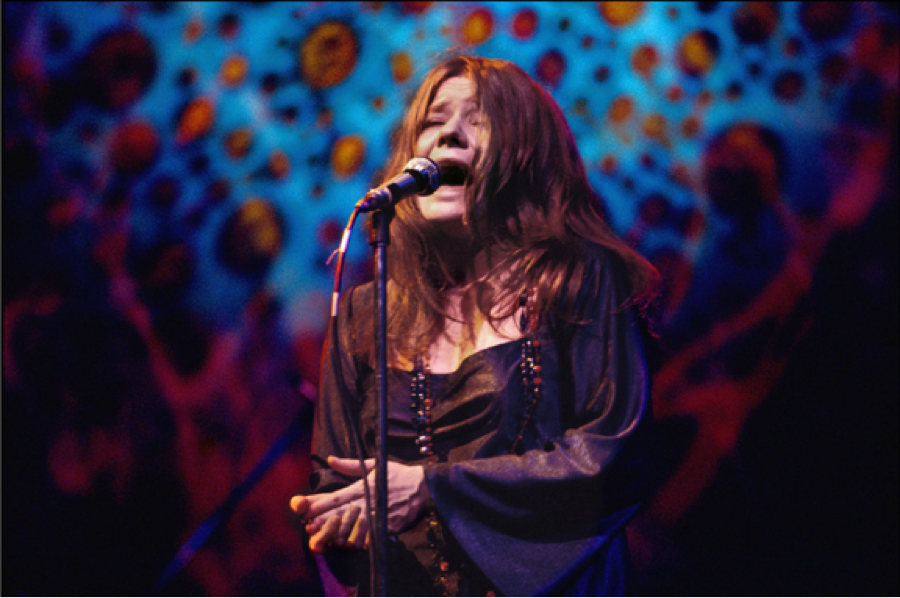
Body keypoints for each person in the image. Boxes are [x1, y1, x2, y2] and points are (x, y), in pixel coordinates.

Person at [290, 55, 659, 597]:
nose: (449, 135)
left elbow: (612, 455)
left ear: (528, 154)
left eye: (479, 120)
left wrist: (433, 489)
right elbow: (334, 492)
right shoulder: (364, 316)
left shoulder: (577, 278)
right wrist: (341, 521)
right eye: (433, 121)